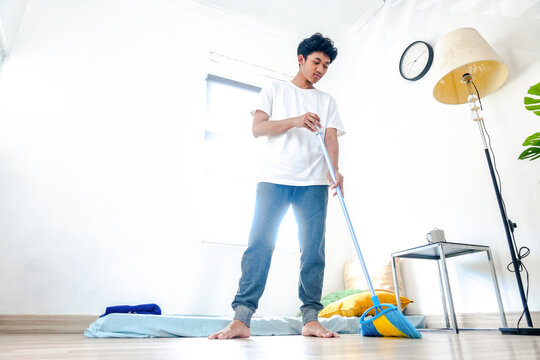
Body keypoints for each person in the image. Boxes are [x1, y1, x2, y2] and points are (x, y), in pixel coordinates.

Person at [209, 33, 345, 340]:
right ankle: (242, 320)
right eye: (316, 62)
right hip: (274, 178)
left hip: (313, 184)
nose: (320, 69)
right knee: (260, 245)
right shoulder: (275, 89)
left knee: (313, 252)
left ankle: (310, 319)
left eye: (326, 65)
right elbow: (258, 128)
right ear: (301, 59)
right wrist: (296, 120)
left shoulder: (327, 101)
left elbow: (331, 138)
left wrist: (335, 172)